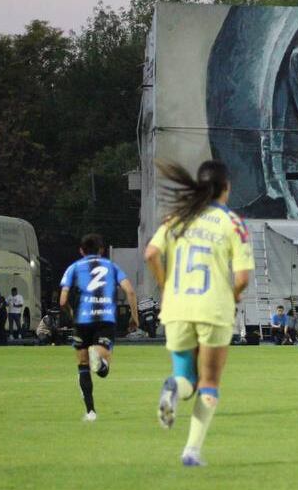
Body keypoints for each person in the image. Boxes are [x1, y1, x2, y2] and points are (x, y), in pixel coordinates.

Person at [145, 160, 254, 467]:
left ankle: (173, 388)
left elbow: (151, 254)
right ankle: (191, 452)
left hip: (177, 307)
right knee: (209, 382)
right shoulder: (232, 222)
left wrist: (165, 285)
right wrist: (232, 296)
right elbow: (242, 278)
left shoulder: (178, 217)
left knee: (185, 378)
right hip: (213, 309)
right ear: (226, 188)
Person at [59, 234, 138, 422]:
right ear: (101, 250)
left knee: (83, 366)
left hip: (82, 320)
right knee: (103, 370)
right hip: (105, 318)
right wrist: (134, 318)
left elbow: (62, 300)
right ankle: (101, 362)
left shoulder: (74, 268)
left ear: (81, 251)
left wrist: (71, 312)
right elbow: (130, 291)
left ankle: (91, 412)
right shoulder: (112, 266)